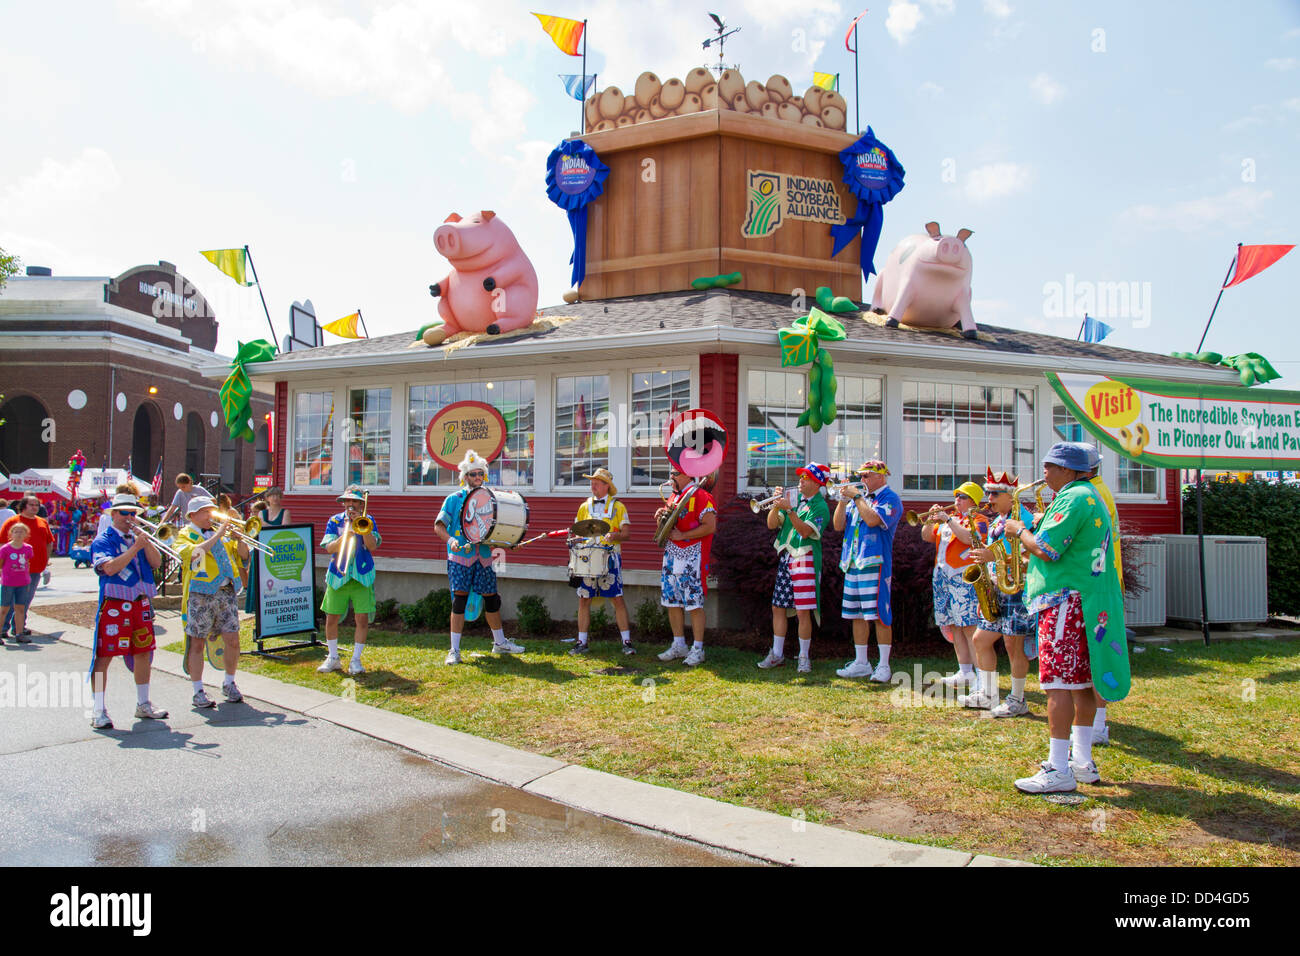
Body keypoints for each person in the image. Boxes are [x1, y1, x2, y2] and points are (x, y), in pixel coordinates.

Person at [1004, 442, 1127, 794]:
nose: (1044, 473)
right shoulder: (1090, 495)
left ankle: (1058, 767)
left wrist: (1019, 531)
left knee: (1057, 684)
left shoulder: (1073, 498)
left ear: (1071, 471)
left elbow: (1047, 549)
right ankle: (1082, 760)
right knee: (1083, 684)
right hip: (1085, 601)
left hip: (1065, 603)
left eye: (1051, 466)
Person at [960, 469, 1039, 714]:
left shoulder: (1023, 518)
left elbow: (1026, 555)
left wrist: (990, 554)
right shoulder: (998, 520)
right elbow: (998, 551)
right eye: (988, 493)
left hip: (1017, 588)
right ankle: (989, 694)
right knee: (980, 640)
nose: (989, 499)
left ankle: (1017, 700)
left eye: (994, 494)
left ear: (1009, 495)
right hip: (997, 587)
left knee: (1012, 646)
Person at [435, 450, 524, 664]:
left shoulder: (491, 499)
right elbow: (439, 526)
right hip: (460, 556)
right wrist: (451, 541)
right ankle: (454, 650)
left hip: (484, 556)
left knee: (492, 599)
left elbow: (495, 530)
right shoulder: (454, 499)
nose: (477, 478)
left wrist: (509, 542)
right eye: (473, 474)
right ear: (465, 476)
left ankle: (500, 643)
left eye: (480, 474)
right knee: (459, 601)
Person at [87, 493, 167, 729]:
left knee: (143, 652)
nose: (130, 517)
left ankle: (143, 704)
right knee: (104, 656)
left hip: (140, 603)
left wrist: (146, 541)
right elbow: (109, 568)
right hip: (114, 604)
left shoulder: (138, 537)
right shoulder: (103, 540)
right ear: (113, 514)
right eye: (124, 513)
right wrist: (134, 548)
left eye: (133, 513)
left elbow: (155, 563)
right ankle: (98, 709)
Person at [173, 496, 248, 708]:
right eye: (206, 512)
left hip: (226, 592)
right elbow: (193, 555)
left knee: (232, 639)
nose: (211, 515)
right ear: (193, 515)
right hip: (200, 594)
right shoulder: (185, 535)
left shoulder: (222, 535)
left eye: (212, 511)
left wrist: (240, 538)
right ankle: (198, 690)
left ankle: (229, 682)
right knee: (197, 642)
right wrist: (217, 535)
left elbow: (243, 556)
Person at [757, 462, 831, 673]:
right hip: (787, 556)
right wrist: (775, 506)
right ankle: (777, 654)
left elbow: (805, 531)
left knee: (802, 611)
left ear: (817, 483)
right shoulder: (794, 500)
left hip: (805, 558)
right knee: (778, 607)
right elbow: (772, 525)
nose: (801, 481)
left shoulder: (820, 506)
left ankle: (804, 657)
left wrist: (789, 510)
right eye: (801, 477)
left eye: (806, 478)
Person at [834, 460, 903, 682]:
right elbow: (837, 526)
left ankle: (883, 665)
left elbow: (873, 519)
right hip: (853, 561)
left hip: (875, 561)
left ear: (881, 476)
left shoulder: (889, 498)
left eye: (867, 476)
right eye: (861, 476)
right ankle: (861, 662)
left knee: (878, 615)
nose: (862, 480)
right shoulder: (859, 499)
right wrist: (843, 502)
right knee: (857, 615)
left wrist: (856, 497)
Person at [919, 483, 990, 689]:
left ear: (974, 501)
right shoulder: (950, 521)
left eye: (963, 497)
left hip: (964, 578)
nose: (957, 500)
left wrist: (947, 519)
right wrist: (930, 520)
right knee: (953, 624)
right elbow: (926, 536)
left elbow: (969, 538)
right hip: (942, 575)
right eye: (956, 496)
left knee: (968, 625)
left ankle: (980, 675)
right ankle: (965, 671)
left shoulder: (980, 520)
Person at [656, 466, 717, 666]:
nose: (671, 477)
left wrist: (684, 535)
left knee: (694, 603)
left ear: (686, 475)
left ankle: (698, 649)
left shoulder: (701, 496)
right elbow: (669, 526)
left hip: (692, 555)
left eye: (674, 474)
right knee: (672, 601)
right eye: (671, 473)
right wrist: (661, 518)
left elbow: (710, 525)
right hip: (672, 554)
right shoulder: (674, 496)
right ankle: (679, 644)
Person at [316, 485, 381, 675]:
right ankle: (333, 657)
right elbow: (329, 548)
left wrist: (363, 530)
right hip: (338, 575)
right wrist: (346, 534)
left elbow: (373, 546)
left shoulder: (368, 520)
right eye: (348, 501)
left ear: (362, 504)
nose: (351, 505)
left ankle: (356, 660)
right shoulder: (334, 520)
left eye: (355, 501)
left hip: (361, 576)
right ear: (344, 502)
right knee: (331, 617)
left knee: (361, 618)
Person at [569, 468, 634, 656]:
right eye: (592, 482)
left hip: (610, 558)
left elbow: (627, 534)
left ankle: (627, 642)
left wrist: (616, 536)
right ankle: (581, 642)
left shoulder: (618, 506)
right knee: (584, 600)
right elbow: (577, 532)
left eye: (598, 482)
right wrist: (575, 541)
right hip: (587, 558)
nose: (593, 485)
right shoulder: (584, 507)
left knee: (617, 599)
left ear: (607, 486)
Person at [1085, 446, 1123, 746]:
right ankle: (1093, 723)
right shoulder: (1098, 491)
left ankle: (1098, 724)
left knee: (1095, 653)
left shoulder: (1091, 495)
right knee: (1092, 653)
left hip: (1096, 584)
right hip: (1104, 580)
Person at [1, 495, 55, 640]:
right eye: (31, 504)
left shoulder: (42, 522)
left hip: (35, 568)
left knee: (25, 600)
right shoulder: (13, 521)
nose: (35, 507)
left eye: (37, 505)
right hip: (12, 570)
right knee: (8, 601)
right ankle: (3, 627)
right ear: (23, 506)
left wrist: (46, 559)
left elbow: (49, 542)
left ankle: (19, 628)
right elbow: (2, 543)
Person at [245, 487, 291, 615]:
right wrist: (271, 526)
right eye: (272, 496)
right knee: (258, 578)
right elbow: (259, 528)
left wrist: (266, 525)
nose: (275, 498)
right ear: (267, 498)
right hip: (262, 548)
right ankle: (256, 608)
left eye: (277, 495)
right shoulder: (262, 513)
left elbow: (283, 531)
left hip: (277, 551)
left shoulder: (285, 512)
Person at [0, 523, 35, 646]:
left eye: (21, 532)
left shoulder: (28, 548)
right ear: (11, 534)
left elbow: (27, 562)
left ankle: (19, 633)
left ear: (26, 534)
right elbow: (1, 563)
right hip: (8, 582)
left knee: (20, 608)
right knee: (4, 608)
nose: (19, 534)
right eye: (16, 531)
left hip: (23, 582)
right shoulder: (5, 549)